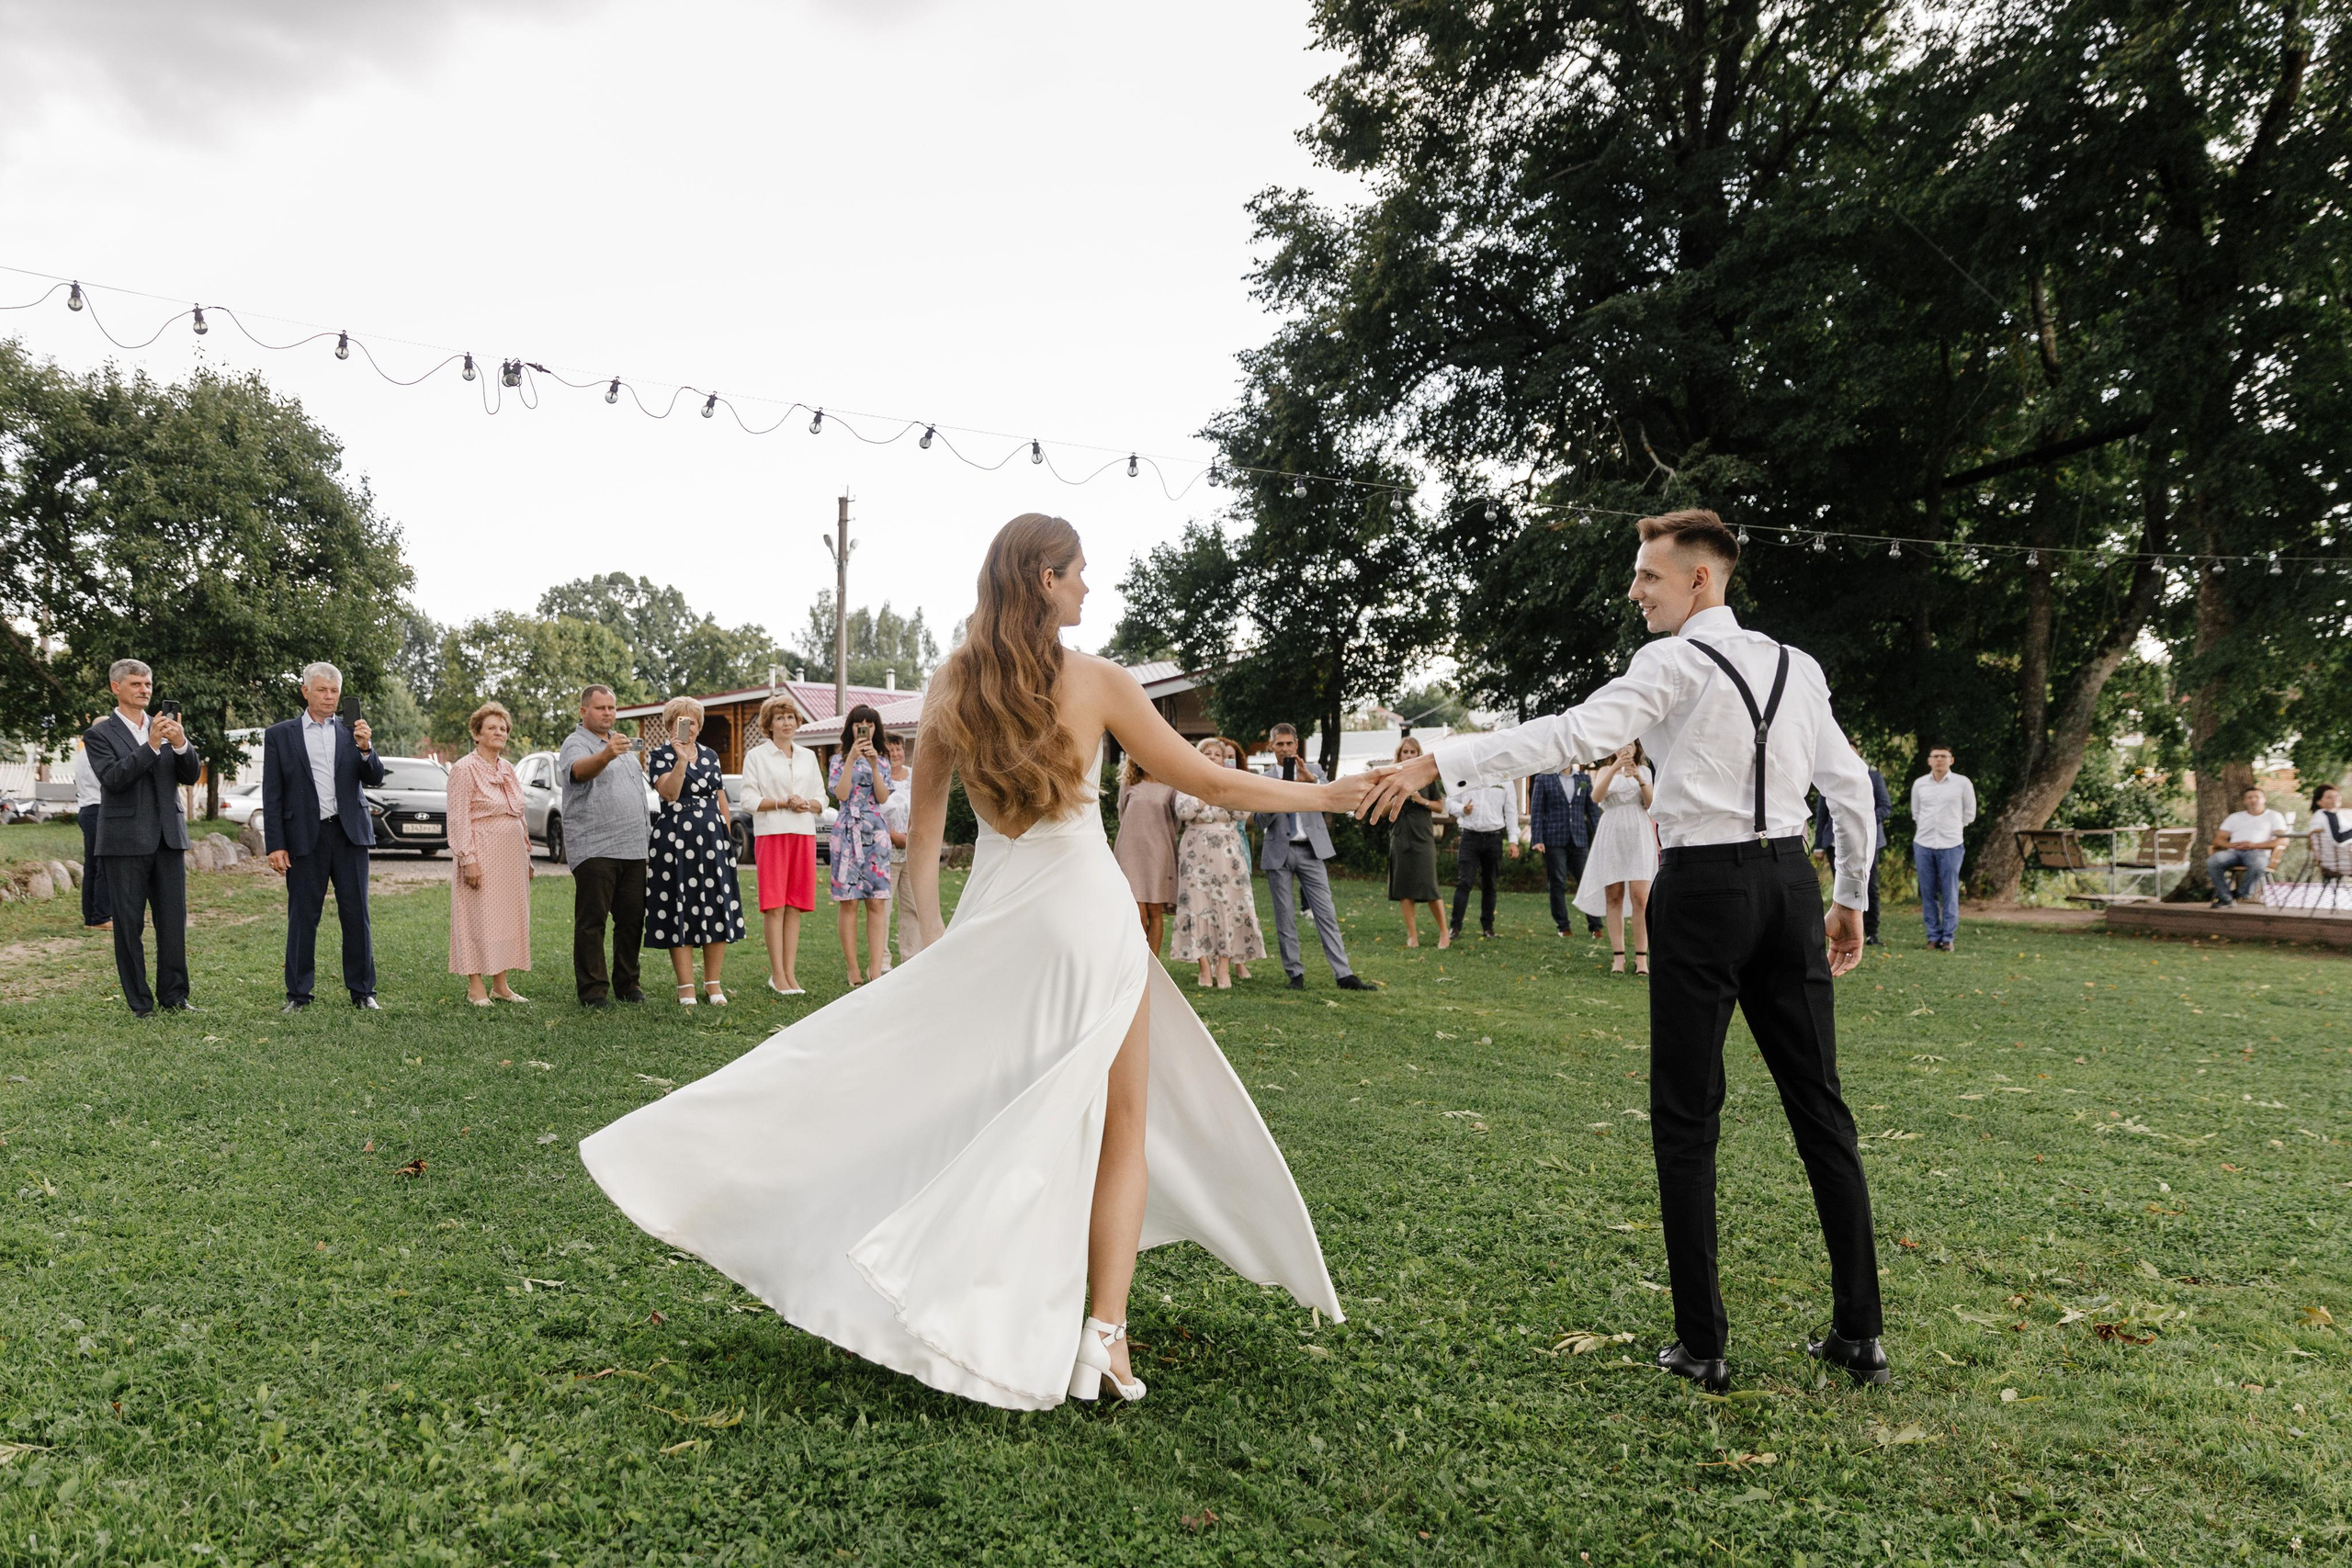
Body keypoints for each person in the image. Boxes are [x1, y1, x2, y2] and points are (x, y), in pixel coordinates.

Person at [580, 512, 1356, 1411]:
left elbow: (919, 844)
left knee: (985, 1102)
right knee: (1122, 1124)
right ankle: (1102, 1338)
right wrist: (1327, 790)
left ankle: (979, 1282)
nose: (1088, 587)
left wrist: (933, 938)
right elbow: (1211, 781)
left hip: (1000, 918)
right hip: (1084, 912)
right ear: (1042, 579)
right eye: (1078, 573)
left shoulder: (951, 684)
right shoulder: (1099, 682)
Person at [1362, 508, 1886, 1394]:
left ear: (1698, 582)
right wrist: (1847, 897)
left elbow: (1574, 733)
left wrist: (1437, 763)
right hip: (1790, 886)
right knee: (1820, 1107)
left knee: (1687, 1115)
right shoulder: (1799, 667)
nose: (1634, 589)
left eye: (1648, 575)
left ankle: (1703, 1343)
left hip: (1705, 889)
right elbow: (1851, 790)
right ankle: (1860, 1333)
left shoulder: (1673, 661)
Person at [261, 661, 386, 1012]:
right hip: (304, 837)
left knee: (356, 914)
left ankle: (363, 992)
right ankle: (298, 995)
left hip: (349, 836)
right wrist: (276, 844)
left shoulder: (354, 732)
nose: (329, 697)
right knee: (302, 916)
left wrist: (366, 748)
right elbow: (272, 794)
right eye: (322, 690)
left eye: (334, 691)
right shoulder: (280, 735)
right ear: (305, 692)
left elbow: (374, 777)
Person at [82, 658, 202, 1016]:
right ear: (116, 688)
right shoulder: (99, 734)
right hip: (124, 840)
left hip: (168, 837)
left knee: (172, 923)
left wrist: (181, 745)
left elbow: (191, 775)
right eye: (136, 684)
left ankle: (175, 997)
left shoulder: (166, 726)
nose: (145, 690)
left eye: (148, 684)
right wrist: (151, 746)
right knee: (128, 927)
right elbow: (114, 779)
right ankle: (140, 1003)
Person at [1253, 724, 1376, 991]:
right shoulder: (1263, 779)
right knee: (1284, 916)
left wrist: (1311, 783)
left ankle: (1344, 974)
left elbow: (1334, 800)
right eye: (1279, 744)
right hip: (1279, 852)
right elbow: (1259, 819)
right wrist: (1280, 792)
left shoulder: (1316, 773)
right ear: (1271, 747)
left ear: (1297, 745)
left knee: (1326, 913)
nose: (1285, 749)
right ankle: (1294, 974)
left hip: (1311, 850)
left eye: (1289, 744)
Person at [647, 697, 744, 1005]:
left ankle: (713, 984)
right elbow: (670, 793)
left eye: (694, 721)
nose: (690, 727)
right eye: (682, 721)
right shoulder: (659, 755)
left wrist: (726, 833)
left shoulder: (712, 756)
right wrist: (680, 760)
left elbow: (720, 796)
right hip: (674, 839)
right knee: (680, 906)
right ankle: (685, 987)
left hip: (713, 838)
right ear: (670, 724)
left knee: (715, 905)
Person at [559, 684, 650, 1009]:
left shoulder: (620, 744)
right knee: (592, 922)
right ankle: (593, 992)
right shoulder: (576, 743)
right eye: (600, 708)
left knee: (631, 921)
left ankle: (628, 984)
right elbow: (578, 773)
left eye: (611, 708)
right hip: (595, 846)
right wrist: (605, 754)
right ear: (584, 711)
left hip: (633, 847)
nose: (608, 713)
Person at [446, 702, 533, 1004]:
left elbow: (518, 813)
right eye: (492, 728)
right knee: (478, 916)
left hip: (511, 856)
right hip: (481, 853)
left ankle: (501, 984)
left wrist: (527, 855)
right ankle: (475, 986)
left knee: (507, 917)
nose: (500, 733)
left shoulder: (508, 768)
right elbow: (457, 818)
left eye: (504, 728)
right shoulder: (464, 768)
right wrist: (468, 859)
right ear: (476, 733)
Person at [740, 695, 826, 996]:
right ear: (769, 724)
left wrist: (809, 804)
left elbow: (822, 797)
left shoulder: (808, 756)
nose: (787, 722)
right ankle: (777, 975)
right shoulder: (756, 757)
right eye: (780, 717)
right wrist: (781, 803)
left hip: (803, 834)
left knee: (794, 906)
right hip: (772, 835)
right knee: (775, 906)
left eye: (791, 717)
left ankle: (790, 974)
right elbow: (748, 800)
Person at [1170, 737, 1269, 986]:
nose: (1213, 757)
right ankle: (1204, 966)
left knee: (1227, 905)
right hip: (1195, 852)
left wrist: (1222, 791)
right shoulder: (1186, 783)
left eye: (1217, 754)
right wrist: (1205, 794)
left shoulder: (1230, 783)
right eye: (1208, 753)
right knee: (1196, 904)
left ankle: (1224, 965)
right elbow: (1184, 811)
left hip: (1227, 853)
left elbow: (1241, 811)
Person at [1577, 741, 1659, 975]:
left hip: (1638, 833)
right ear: (1614, 749)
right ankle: (1618, 957)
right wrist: (1615, 769)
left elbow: (1651, 804)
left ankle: (1642, 958)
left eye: (1630, 745)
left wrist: (1638, 779)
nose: (1626, 749)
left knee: (1641, 897)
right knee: (1613, 895)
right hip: (1611, 832)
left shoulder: (1644, 771)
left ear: (1636, 749)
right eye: (1621, 745)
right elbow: (1596, 797)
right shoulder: (1605, 770)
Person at [828, 705, 894, 986]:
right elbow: (841, 794)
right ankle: (853, 968)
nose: (863, 728)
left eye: (869, 724)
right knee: (849, 902)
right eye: (858, 724)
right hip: (846, 833)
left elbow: (882, 797)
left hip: (875, 834)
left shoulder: (884, 761)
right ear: (851, 728)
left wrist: (875, 765)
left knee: (877, 903)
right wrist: (852, 758)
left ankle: (876, 969)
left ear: (876, 729)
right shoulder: (837, 760)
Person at [1813, 748, 1893, 944]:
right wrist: (1818, 845)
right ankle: (1845, 929)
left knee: (1870, 887)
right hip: (1834, 843)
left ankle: (1871, 932)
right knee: (1842, 888)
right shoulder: (1829, 777)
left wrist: (1862, 820)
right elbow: (1822, 813)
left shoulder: (1873, 777)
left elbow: (1885, 806)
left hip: (1867, 841)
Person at [1385, 736, 1452, 949]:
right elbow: (1382, 809)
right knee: (1404, 888)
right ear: (1399, 754)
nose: (1409, 755)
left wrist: (1420, 800)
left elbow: (1440, 807)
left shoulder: (1427, 778)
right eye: (1405, 752)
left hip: (1422, 836)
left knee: (1429, 886)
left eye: (1413, 752)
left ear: (1418, 754)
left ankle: (1444, 934)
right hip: (1400, 836)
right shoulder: (1390, 777)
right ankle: (1412, 936)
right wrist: (1397, 800)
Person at [1910, 746, 1975, 951]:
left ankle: (1948, 938)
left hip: (1951, 844)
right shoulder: (1920, 784)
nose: (1939, 760)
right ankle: (1932, 936)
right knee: (1928, 893)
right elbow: (1916, 812)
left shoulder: (1962, 783)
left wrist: (1954, 827)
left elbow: (1969, 813)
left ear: (1951, 760)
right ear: (1929, 760)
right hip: (1924, 843)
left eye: (1943, 757)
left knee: (1950, 892)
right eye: (1935, 757)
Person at [1114, 758, 1181, 954]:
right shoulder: (1129, 784)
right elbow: (1122, 813)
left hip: (1159, 851)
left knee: (1154, 910)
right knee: (1138, 913)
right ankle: (1139, 960)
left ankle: (1154, 965)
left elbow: (1176, 821)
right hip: (1130, 851)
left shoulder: (1171, 787)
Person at [1530, 765, 1603, 938]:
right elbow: (1537, 810)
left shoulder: (1583, 780)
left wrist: (1601, 835)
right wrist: (1537, 839)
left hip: (1579, 839)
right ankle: (1563, 926)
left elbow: (1592, 810)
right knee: (1558, 882)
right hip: (1554, 839)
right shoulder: (1544, 778)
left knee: (1587, 882)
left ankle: (1596, 926)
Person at [1445, 775, 1521, 940]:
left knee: (1490, 883)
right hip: (1469, 837)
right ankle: (1455, 927)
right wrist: (1462, 809)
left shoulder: (1505, 780)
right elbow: (1450, 802)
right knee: (1464, 882)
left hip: (1493, 838)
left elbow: (1511, 811)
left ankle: (1488, 927)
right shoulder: (1465, 776)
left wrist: (1513, 840)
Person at [2207, 785, 2290, 909]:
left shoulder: (2274, 816)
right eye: (2249, 797)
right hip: (2234, 852)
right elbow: (2218, 839)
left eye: (2256, 797)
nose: (2253, 800)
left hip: (2258, 852)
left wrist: (2254, 845)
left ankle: (2240, 893)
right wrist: (2233, 845)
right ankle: (2226, 897)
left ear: (2264, 799)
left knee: (2258, 864)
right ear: (2245, 800)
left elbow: (2283, 840)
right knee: (2213, 861)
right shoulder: (2235, 817)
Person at [880, 732, 924, 964]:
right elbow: (872, 812)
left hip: (913, 853)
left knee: (913, 908)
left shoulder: (914, 776)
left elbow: (925, 808)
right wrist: (893, 835)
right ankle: (882, 962)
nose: (895, 754)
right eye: (890, 750)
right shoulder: (877, 776)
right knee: (882, 911)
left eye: (898, 749)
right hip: (884, 853)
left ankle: (911, 959)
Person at [71, 739, 113, 931]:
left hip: (86, 809)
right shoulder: (99, 753)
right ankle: (101, 917)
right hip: (99, 809)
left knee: (91, 866)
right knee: (104, 864)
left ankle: (90, 916)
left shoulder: (82, 754)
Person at [2310, 784, 2352, 891]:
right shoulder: (2327, 815)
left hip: (2331, 861)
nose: (2335, 799)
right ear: (2319, 802)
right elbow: (2338, 839)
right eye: (2329, 797)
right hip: (2339, 862)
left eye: (2336, 795)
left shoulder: (2322, 816)